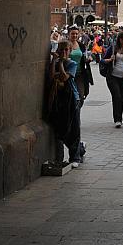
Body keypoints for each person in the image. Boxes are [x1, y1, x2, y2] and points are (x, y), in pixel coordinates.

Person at [48, 40, 81, 168]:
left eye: (66, 50)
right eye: (61, 50)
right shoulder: (55, 63)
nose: (64, 52)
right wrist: (54, 61)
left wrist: (61, 63)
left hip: (72, 98)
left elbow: (64, 77)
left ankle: (75, 157)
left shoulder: (72, 64)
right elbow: (51, 77)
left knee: (74, 128)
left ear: (70, 51)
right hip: (59, 99)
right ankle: (80, 148)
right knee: (63, 128)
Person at [102, 31, 123, 128]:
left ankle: (119, 117)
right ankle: (117, 119)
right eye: (122, 38)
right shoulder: (113, 48)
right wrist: (109, 60)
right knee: (116, 96)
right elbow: (102, 60)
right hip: (112, 76)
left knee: (121, 97)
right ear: (119, 39)